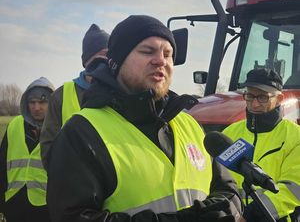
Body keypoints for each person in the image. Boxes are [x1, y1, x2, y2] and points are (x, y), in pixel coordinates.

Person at [47, 15, 243, 222]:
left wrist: (225, 209)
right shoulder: (82, 132)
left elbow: (227, 188)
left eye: (168, 54)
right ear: (116, 63)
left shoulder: (189, 124)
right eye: (147, 51)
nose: (161, 60)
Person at [223, 68, 300, 222]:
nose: (255, 104)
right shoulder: (229, 133)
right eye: (250, 96)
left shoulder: (296, 137)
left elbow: (293, 188)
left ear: (279, 99)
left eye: (263, 97)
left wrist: (249, 216)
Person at [40, 23, 110, 170]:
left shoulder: (123, 91)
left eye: (108, 56)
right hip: (75, 182)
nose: (104, 62)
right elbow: (48, 145)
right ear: (87, 62)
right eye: (100, 56)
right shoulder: (61, 95)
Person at [0, 77, 55, 222]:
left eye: (42, 102)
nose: (36, 108)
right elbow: (1, 166)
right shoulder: (14, 126)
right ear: (26, 103)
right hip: (14, 204)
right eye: (32, 102)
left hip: (46, 207)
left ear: (52, 103)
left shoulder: (60, 129)